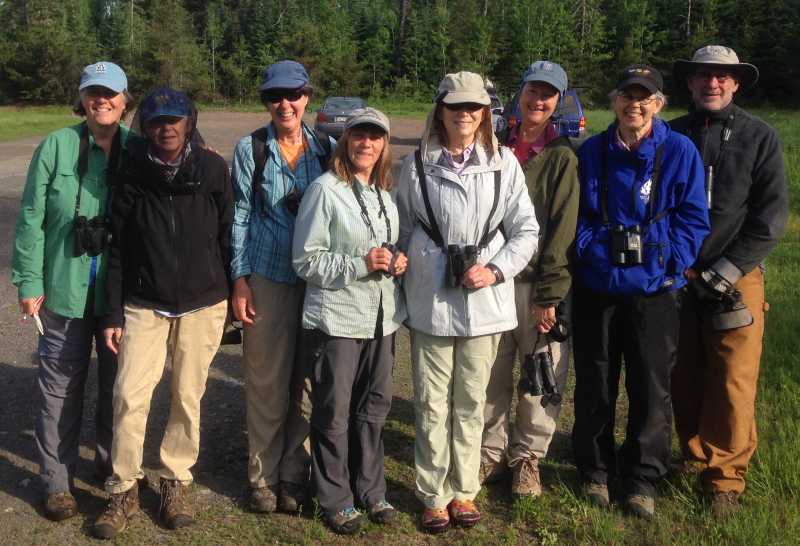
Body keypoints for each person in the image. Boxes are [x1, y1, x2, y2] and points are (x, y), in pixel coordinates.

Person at [396, 71, 539, 533]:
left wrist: (495, 270)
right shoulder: (415, 166)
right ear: (440, 110)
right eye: (456, 106)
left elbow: (526, 231)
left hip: (484, 302)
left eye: (473, 107)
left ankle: (464, 489)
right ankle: (433, 494)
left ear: (485, 113)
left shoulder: (504, 164)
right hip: (431, 301)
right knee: (431, 401)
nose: (465, 114)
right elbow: (400, 228)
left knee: (472, 401)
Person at [91, 87, 233, 539]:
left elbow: (228, 233)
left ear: (189, 123)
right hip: (143, 303)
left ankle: (175, 481)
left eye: (174, 119)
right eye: (156, 120)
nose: (166, 127)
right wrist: (112, 315)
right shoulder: (132, 172)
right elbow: (117, 248)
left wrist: (235, 293)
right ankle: (123, 488)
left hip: (204, 302)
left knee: (187, 396)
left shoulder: (212, 168)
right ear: (145, 127)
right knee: (129, 395)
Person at [570, 65, 709, 519]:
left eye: (644, 97)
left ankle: (642, 477)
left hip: (656, 288)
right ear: (614, 102)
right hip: (598, 284)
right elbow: (579, 216)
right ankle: (594, 470)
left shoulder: (680, 151)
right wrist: (594, 252)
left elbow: (694, 217)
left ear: (658, 104)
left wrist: (670, 263)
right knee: (595, 381)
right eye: (627, 96)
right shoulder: (593, 151)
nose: (635, 105)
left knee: (651, 385)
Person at [11, 61, 133, 522]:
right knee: (59, 389)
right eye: (93, 92)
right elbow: (31, 217)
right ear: (81, 99)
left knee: (121, 385)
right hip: (63, 287)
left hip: (120, 295)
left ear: (125, 100)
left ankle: (111, 464)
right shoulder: (56, 146)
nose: (102, 100)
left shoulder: (138, 149)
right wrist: (29, 280)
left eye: (110, 93)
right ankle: (57, 482)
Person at [670, 46, 789, 518]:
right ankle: (693, 453)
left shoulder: (760, 137)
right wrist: (675, 263)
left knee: (733, 380)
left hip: (738, 277)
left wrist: (729, 268)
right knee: (683, 373)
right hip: (679, 274)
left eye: (722, 76)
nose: (712, 83)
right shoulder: (671, 133)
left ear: (736, 83)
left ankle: (725, 479)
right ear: (691, 82)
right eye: (704, 75)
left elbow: (770, 217)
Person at [292, 108, 407, 534]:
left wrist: (397, 261)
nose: (367, 144)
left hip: (381, 318)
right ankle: (334, 497)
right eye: (359, 135)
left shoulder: (384, 194)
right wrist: (360, 264)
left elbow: (387, 246)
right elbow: (305, 260)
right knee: (334, 412)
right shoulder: (325, 190)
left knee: (373, 409)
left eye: (375, 137)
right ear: (346, 140)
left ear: (384, 145)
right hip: (337, 320)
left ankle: (370, 490)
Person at [230, 60, 335, 514]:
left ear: (307, 97)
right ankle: (263, 476)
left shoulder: (327, 148)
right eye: (276, 96)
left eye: (293, 95)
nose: (285, 104)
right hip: (267, 278)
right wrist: (239, 279)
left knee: (306, 382)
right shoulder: (251, 149)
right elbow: (239, 216)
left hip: (315, 282)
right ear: (266, 102)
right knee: (266, 382)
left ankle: (294, 473)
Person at [480, 61, 579, 497]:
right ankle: (490, 452)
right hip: (492, 281)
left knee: (540, 375)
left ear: (559, 101)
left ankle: (527, 459)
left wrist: (550, 295)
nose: (538, 100)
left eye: (548, 94)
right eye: (533, 91)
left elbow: (562, 232)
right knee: (490, 373)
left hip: (537, 285)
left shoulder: (562, 157)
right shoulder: (493, 144)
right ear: (520, 93)